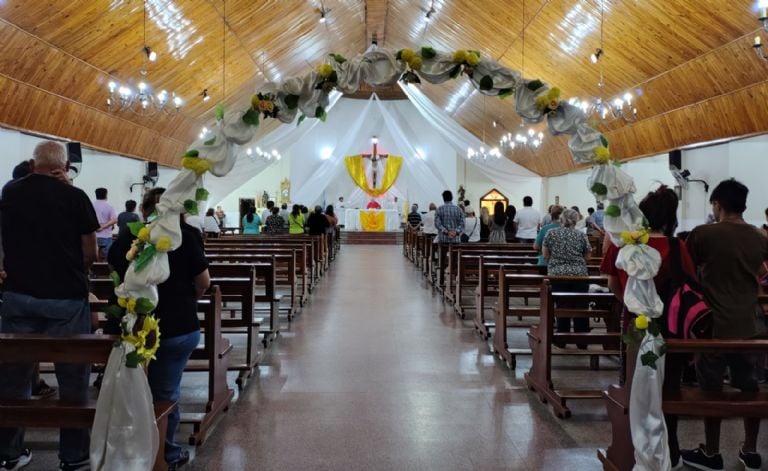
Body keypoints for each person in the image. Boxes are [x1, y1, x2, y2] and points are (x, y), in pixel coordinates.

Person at [0, 140, 99, 471]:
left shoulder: (11, 191)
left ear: (32, 164)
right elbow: (91, 252)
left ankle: (9, 453)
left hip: (18, 296)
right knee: (72, 380)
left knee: (13, 378)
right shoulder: (75, 196)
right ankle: (73, 457)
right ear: (65, 167)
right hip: (66, 298)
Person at [109, 188, 210, 470]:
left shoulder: (129, 237)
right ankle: (162, 456)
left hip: (133, 325)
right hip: (177, 324)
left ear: (143, 210)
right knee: (164, 393)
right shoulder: (186, 236)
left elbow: (113, 269)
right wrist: (189, 298)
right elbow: (204, 282)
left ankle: (137, 450)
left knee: (137, 392)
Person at [600, 185, 696, 469]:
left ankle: (632, 449)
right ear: (670, 217)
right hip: (669, 328)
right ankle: (670, 451)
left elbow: (612, 284)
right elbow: (690, 284)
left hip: (635, 327)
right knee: (668, 388)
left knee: (634, 386)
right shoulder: (676, 247)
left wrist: (635, 307)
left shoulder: (623, 245)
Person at [680, 179, 768, 471]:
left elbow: (685, 272)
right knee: (750, 388)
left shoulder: (703, 234)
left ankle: (712, 452)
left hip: (713, 325)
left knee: (711, 389)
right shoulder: (760, 237)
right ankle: (751, 451)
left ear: (717, 205)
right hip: (749, 326)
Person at [542, 208, 592, 338]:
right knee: (581, 305)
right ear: (576, 220)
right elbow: (587, 256)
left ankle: (562, 335)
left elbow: (545, 255)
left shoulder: (551, 233)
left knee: (562, 304)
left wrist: (556, 263)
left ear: (561, 219)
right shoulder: (581, 235)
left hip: (557, 274)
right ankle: (581, 337)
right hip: (579, 275)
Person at [92, 187, 117, 260]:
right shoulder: (109, 206)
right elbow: (114, 220)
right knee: (106, 258)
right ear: (106, 195)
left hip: (93, 235)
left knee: (94, 258)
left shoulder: (91, 205)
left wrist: (95, 227)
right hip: (106, 235)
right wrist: (102, 227)